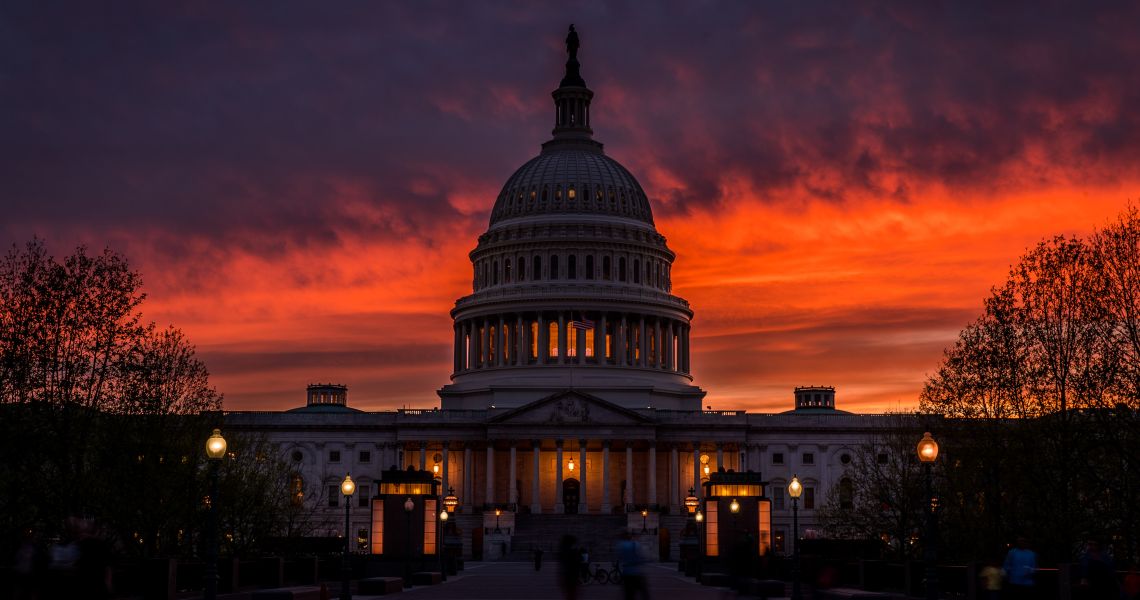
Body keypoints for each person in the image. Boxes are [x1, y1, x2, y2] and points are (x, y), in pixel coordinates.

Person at [617, 531, 649, 600]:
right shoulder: (635, 544)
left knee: (628, 595)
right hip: (636, 573)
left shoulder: (621, 545)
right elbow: (641, 558)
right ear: (630, 537)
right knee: (644, 593)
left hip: (626, 573)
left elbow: (619, 557)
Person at [558, 535, 581, 600]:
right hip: (571, 577)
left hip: (568, 577)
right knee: (571, 595)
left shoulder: (564, 550)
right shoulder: (572, 551)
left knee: (570, 595)